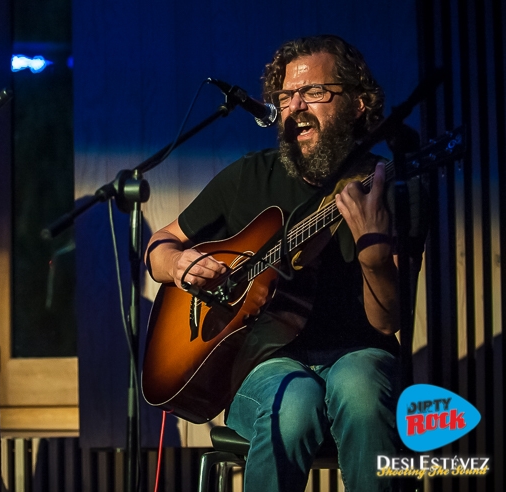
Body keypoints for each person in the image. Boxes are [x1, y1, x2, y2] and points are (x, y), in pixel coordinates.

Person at [145, 35, 423, 491]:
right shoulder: (249, 176)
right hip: (258, 362)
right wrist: (180, 266)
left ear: (359, 103)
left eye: (314, 92)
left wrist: (374, 260)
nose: (295, 106)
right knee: (294, 402)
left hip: (359, 351)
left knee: (358, 392)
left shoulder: (388, 189)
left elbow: (388, 320)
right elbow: (162, 243)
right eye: (286, 95)